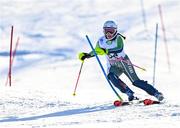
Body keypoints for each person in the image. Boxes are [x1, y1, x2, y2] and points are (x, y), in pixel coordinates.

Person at [78, 20, 164, 101]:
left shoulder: (118, 38)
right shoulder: (101, 41)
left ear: (115, 31)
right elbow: (97, 51)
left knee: (136, 82)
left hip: (124, 63)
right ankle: (129, 92)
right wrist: (87, 55)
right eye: (106, 31)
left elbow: (119, 48)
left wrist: (106, 51)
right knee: (111, 77)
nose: (109, 33)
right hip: (114, 65)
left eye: (111, 31)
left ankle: (156, 93)